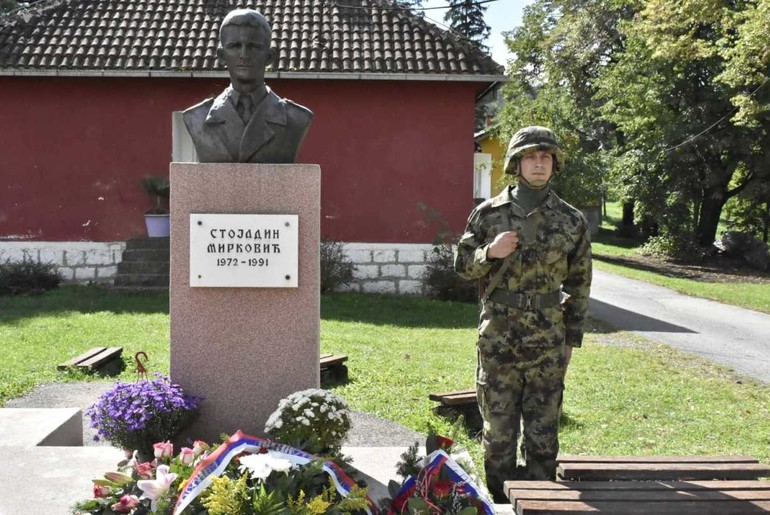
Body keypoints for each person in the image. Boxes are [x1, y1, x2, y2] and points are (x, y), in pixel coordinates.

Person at [454, 126, 592, 501]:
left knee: (543, 433)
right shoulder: (488, 214)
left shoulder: (571, 220)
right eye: (531, 157)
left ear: (554, 164)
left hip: (548, 335)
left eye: (545, 157)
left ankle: (541, 503)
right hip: (498, 333)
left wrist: (570, 342)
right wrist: (489, 253)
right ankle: (498, 502)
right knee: (498, 431)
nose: (538, 163)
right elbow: (462, 264)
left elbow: (580, 287)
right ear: (516, 163)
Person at [183, 9, 313, 164]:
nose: (244, 54)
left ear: (269, 56)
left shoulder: (296, 118)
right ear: (221, 56)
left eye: (254, 46)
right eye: (235, 46)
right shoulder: (197, 117)